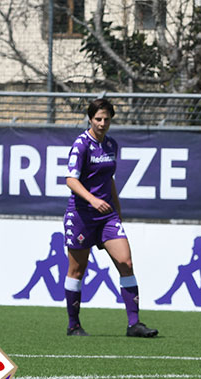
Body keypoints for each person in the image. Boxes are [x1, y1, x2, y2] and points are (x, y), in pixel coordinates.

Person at [62, 98, 158, 338]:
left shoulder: (111, 145)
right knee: (77, 270)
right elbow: (71, 179)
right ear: (90, 119)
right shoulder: (81, 145)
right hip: (82, 215)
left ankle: (134, 324)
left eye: (106, 119)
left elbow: (109, 179)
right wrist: (92, 200)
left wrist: (118, 210)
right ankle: (73, 325)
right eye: (98, 119)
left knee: (126, 263)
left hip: (107, 217)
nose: (102, 123)